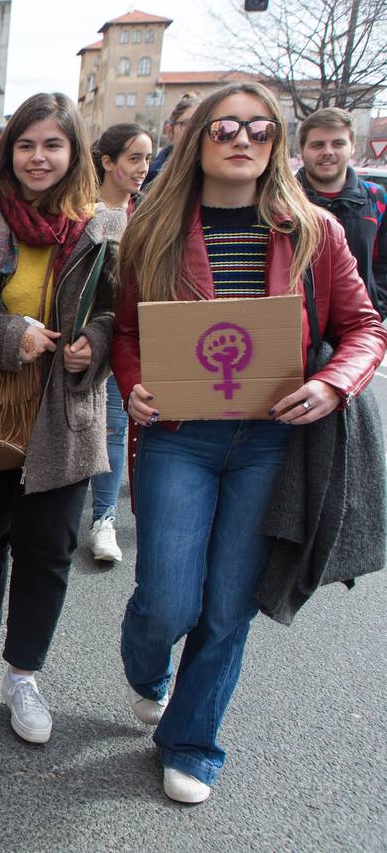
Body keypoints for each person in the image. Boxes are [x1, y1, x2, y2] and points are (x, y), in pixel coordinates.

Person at [112, 82, 387, 804]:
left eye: (260, 130)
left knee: (227, 604)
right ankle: (146, 672)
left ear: (277, 144)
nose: (243, 140)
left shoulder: (314, 231)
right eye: (226, 128)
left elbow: (364, 327)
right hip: (179, 437)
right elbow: (129, 334)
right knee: (166, 602)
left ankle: (191, 741)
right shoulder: (152, 230)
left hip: (272, 442)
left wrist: (332, 385)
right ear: (198, 138)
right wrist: (132, 384)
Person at [0, 92, 125, 745]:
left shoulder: (103, 229)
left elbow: (117, 313)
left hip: (66, 412)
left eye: (51, 144)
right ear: (7, 152)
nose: (37, 158)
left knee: (48, 550)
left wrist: (90, 344)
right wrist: (9, 334)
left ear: (73, 155)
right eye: (25, 144)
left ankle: (23, 674)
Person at [84, 123, 153, 563]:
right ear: (107, 162)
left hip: (129, 342)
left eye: (148, 158)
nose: (143, 168)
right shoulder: (77, 212)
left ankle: (103, 520)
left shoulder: (151, 215)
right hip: (78, 342)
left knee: (114, 428)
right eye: (134, 158)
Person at [295, 107, 387, 318]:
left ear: (352, 147)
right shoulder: (280, 200)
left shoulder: (376, 198)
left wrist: (377, 305)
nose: (328, 151)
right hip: (299, 330)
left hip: (360, 326)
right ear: (303, 150)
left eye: (338, 143)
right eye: (318, 144)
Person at [142, 92, 198, 190]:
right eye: (187, 124)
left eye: (202, 124)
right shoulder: (147, 177)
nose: (196, 131)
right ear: (169, 131)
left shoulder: (216, 177)